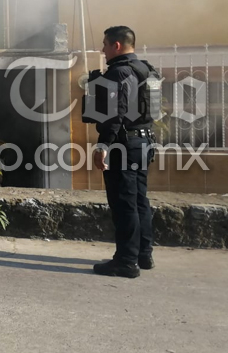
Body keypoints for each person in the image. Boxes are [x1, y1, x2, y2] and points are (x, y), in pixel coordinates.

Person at [91, 26, 159, 278]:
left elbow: (115, 113)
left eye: (105, 44)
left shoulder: (119, 72)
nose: (103, 50)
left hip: (124, 145)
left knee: (124, 203)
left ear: (116, 45)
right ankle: (143, 254)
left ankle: (126, 262)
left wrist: (103, 145)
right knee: (139, 199)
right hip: (144, 141)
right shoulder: (146, 70)